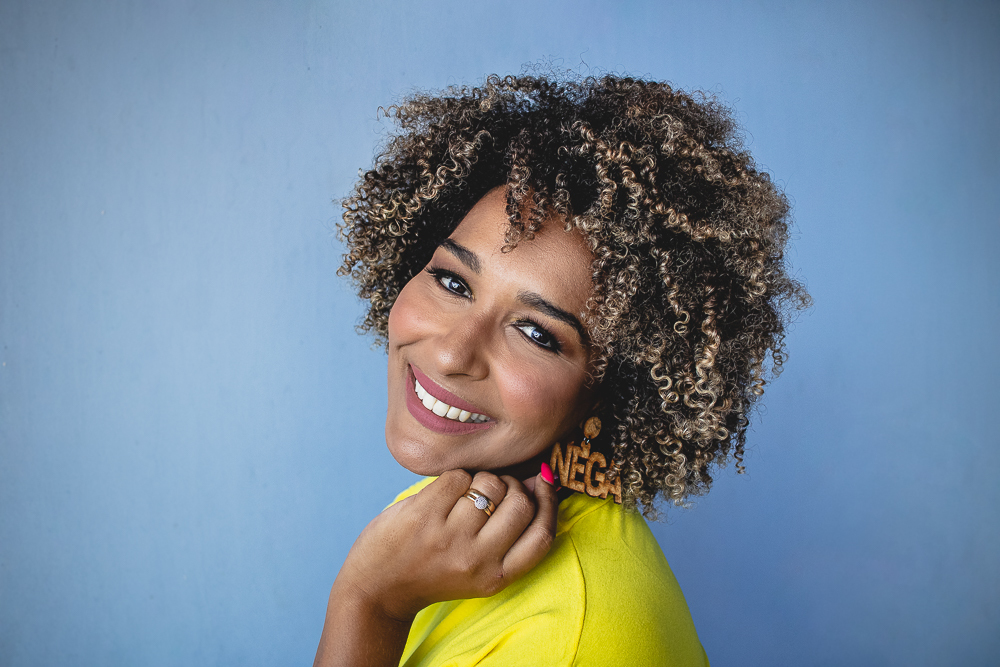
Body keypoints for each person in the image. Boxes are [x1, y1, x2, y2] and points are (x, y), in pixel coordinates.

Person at [313, 71, 809, 666]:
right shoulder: (466, 505)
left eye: (536, 333)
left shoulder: (574, 639)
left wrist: (369, 602)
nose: (450, 354)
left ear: (608, 395)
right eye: (452, 282)